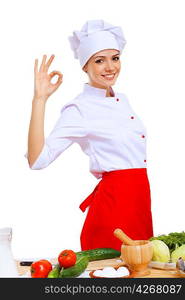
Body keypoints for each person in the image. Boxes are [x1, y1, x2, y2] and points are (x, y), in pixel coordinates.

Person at [25, 19, 153, 251]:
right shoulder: (80, 109)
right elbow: (37, 160)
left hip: (140, 205)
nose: (110, 67)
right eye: (99, 60)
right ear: (85, 66)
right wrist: (40, 99)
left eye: (115, 58)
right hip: (114, 213)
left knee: (142, 274)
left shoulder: (122, 100)